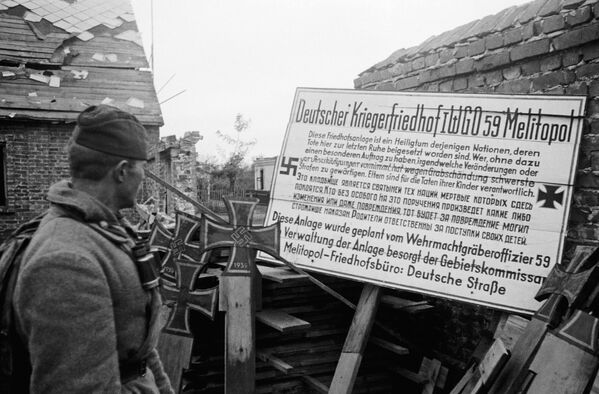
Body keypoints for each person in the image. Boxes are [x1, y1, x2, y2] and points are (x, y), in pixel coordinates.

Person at [13, 105, 174, 393]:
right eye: (143, 168)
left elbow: (138, 346)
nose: (144, 178)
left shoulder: (107, 227)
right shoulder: (65, 262)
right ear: (122, 171)